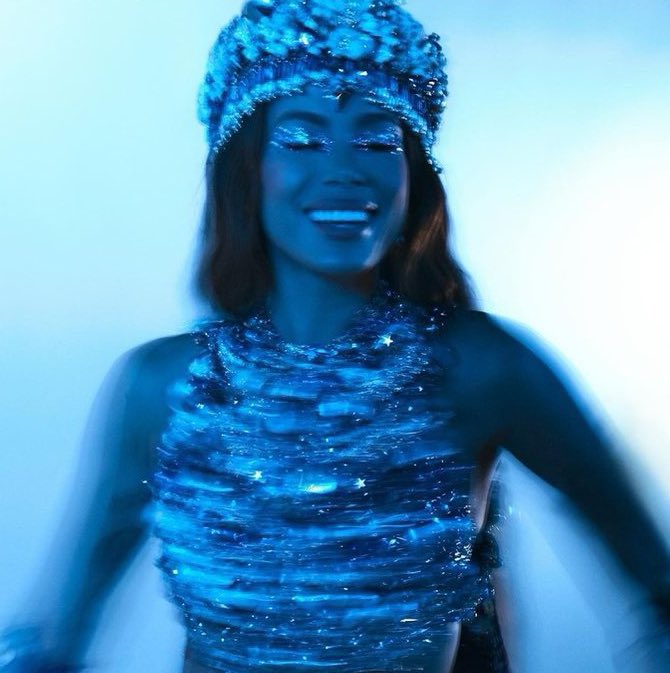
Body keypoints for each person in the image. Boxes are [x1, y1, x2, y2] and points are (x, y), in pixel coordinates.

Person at [1, 0, 669, 671]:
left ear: (413, 176)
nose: (345, 170)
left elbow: (654, 579)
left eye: (377, 142)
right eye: (303, 140)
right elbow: (57, 632)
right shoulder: (160, 387)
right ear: (246, 171)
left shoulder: (482, 369)